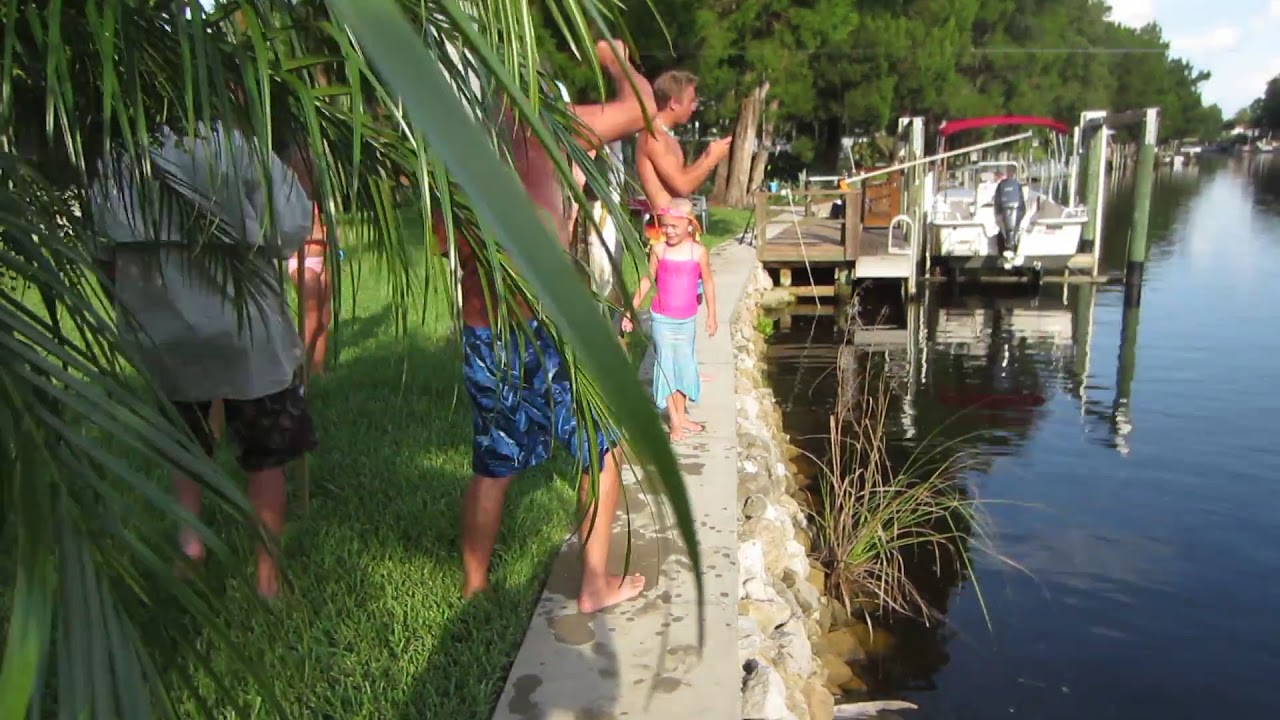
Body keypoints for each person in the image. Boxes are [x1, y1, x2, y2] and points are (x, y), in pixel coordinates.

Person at [439, 39, 657, 614]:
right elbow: (643, 105)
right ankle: (593, 584)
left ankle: (474, 585)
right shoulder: (550, 127)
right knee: (599, 451)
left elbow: (443, 239)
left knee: (493, 464)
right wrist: (613, 59)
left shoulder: (460, 148)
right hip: (553, 327)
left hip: (487, 329)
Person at [91, 121, 318, 599]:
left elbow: (104, 253)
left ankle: (190, 549)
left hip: (164, 334)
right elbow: (291, 231)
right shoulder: (235, 144)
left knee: (185, 446)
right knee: (264, 457)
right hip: (246, 334)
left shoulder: (125, 150)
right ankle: (266, 575)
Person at [620, 198, 717, 442]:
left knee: (684, 366)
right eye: (664, 226)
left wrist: (712, 315)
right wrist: (630, 310)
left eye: (674, 226)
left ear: (690, 225)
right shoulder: (659, 250)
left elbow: (707, 283)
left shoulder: (698, 253)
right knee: (667, 367)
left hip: (686, 321)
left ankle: (682, 414)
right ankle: (674, 420)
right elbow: (647, 280)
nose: (668, 231)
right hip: (662, 319)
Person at [634, 70, 733, 245]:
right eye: (691, 101)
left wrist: (706, 156)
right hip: (665, 234)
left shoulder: (668, 137)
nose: (694, 107)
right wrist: (711, 161)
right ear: (673, 103)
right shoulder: (653, 137)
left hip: (680, 231)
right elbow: (683, 186)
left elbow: (682, 177)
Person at [284, 146, 334, 376]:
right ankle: (301, 372)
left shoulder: (315, 198)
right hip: (303, 261)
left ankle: (318, 369)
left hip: (322, 256)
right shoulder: (289, 195)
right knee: (311, 314)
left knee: (324, 314)